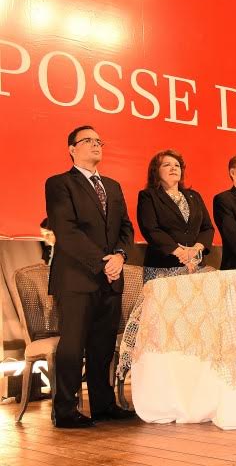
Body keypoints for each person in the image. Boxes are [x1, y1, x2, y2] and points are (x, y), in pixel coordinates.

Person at [45, 125, 135, 428]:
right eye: (88, 141)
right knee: (73, 344)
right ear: (72, 148)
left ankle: (103, 404)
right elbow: (66, 231)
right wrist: (102, 262)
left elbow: (126, 227)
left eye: (99, 141)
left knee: (102, 345)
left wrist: (120, 256)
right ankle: (66, 410)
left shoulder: (112, 185)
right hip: (76, 278)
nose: (96, 145)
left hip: (111, 277)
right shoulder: (59, 184)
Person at [137, 150, 214, 282]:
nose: (173, 168)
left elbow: (207, 228)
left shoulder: (194, 196)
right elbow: (151, 229)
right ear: (156, 172)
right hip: (163, 268)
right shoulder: (148, 196)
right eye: (167, 165)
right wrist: (180, 253)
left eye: (177, 165)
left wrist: (196, 250)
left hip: (195, 267)